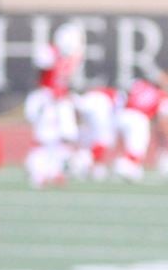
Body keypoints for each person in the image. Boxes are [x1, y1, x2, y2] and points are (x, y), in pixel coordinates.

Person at [24, 25, 82, 188]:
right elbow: (41, 70)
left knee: (67, 135)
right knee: (45, 136)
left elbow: (65, 80)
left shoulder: (72, 56)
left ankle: (56, 170)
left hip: (61, 99)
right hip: (47, 98)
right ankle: (37, 171)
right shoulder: (49, 52)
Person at [115, 71, 168, 182]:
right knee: (137, 149)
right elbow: (163, 123)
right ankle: (124, 166)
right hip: (139, 118)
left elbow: (122, 95)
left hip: (122, 115)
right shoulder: (163, 97)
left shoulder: (139, 84)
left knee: (128, 145)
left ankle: (132, 167)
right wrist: (165, 143)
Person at [70, 84, 122, 181]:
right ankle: (79, 162)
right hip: (99, 119)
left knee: (93, 144)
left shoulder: (92, 96)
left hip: (89, 120)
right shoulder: (108, 95)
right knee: (102, 142)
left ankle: (93, 166)